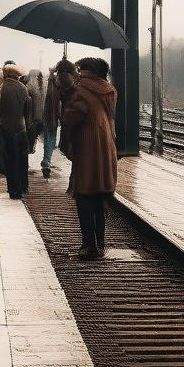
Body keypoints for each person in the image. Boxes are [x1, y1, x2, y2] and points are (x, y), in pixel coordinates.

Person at [61, 57, 118, 260]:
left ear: (84, 71)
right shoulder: (109, 90)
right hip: (106, 148)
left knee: (84, 196)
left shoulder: (80, 91)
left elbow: (72, 119)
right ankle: (101, 243)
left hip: (87, 149)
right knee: (99, 198)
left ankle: (88, 245)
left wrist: (67, 101)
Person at [0, 63, 32, 199]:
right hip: (21, 128)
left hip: (6, 129)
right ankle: (23, 186)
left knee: (9, 161)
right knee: (22, 160)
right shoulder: (23, 88)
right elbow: (27, 110)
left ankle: (13, 190)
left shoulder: (1, 88)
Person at [41, 59, 78, 179]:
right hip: (69, 115)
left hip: (50, 113)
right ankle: (75, 172)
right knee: (73, 142)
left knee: (49, 137)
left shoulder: (53, 80)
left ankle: (46, 161)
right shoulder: (74, 81)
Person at [23, 68, 47, 154]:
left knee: (31, 136)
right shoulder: (43, 86)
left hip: (32, 117)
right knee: (34, 136)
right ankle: (32, 147)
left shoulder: (29, 86)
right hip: (41, 117)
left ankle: (30, 148)